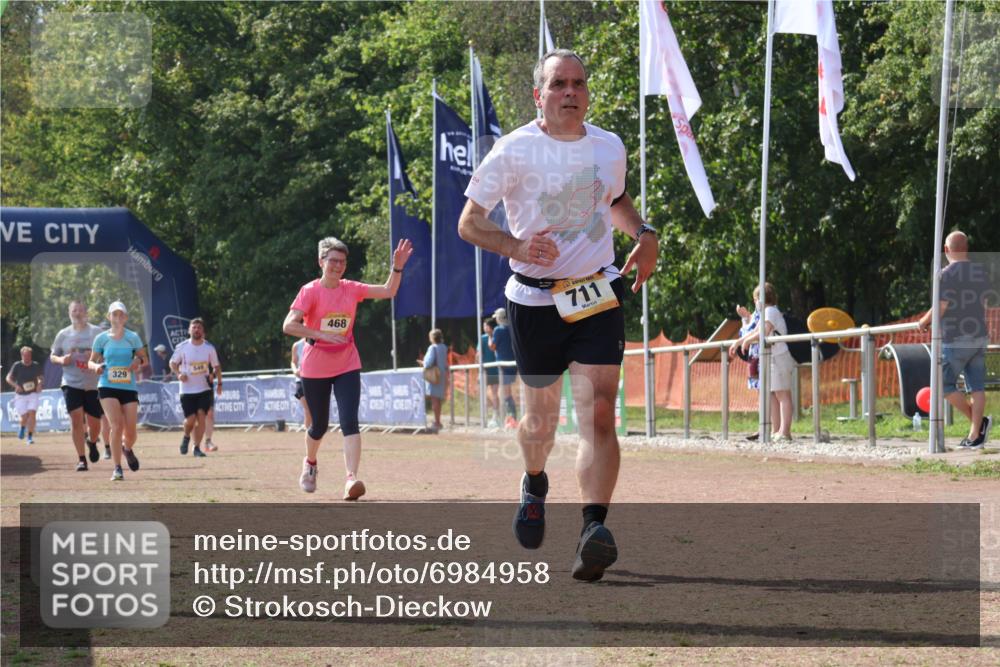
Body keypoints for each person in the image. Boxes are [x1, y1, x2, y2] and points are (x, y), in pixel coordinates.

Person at [458, 49, 658, 581]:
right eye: (559, 84)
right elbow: (469, 223)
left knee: (598, 413)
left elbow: (615, 202)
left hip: (596, 295)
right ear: (538, 96)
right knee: (540, 421)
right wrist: (516, 246)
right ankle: (534, 482)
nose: (570, 91)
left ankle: (594, 528)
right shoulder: (513, 150)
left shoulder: (608, 146)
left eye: (578, 83)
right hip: (533, 302)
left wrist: (644, 234)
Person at [283, 236, 413, 500]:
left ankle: (351, 479)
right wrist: (319, 334)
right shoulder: (309, 291)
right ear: (321, 262)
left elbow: (388, 290)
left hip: (346, 363)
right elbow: (289, 325)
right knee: (318, 425)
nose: (338, 266)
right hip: (315, 366)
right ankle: (310, 463)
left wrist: (397, 268)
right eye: (333, 261)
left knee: (349, 422)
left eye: (342, 262)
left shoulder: (351, 288)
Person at [918, 230, 992, 449]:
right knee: (977, 387)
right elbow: (985, 304)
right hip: (979, 336)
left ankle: (977, 428)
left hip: (956, 337)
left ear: (946, 250)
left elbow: (941, 306)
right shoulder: (980, 272)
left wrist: (923, 322)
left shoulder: (945, 274)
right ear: (966, 247)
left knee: (942, 384)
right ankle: (975, 434)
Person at [88, 301, 147, 482]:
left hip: (128, 387)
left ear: (126, 318)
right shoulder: (101, 339)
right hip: (107, 385)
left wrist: (138, 362)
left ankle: (127, 449)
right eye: (115, 314)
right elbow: (91, 362)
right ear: (109, 317)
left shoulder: (133, 337)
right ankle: (117, 468)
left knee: (131, 432)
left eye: (121, 314)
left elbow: (143, 358)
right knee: (116, 425)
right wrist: (96, 366)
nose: (118, 317)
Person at [729, 283, 795, 441]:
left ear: (763, 298)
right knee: (773, 394)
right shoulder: (765, 312)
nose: (755, 302)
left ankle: (784, 432)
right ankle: (776, 430)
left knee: (782, 394)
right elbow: (754, 331)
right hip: (772, 357)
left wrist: (746, 342)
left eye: (756, 299)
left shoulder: (771, 311)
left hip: (779, 356)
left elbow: (762, 332)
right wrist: (739, 342)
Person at [50, 301, 105, 470]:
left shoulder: (97, 332)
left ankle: (92, 441)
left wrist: (95, 357)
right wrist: (61, 360)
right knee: (76, 419)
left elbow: (107, 355)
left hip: (92, 384)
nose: (78, 313)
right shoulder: (63, 334)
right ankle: (82, 459)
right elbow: (53, 355)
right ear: (69, 313)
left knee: (95, 423)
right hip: (71, 382)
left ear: (86, 313)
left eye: (81, 310)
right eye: (75, 310)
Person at [169, 318, 222, 458]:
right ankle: (186, 436)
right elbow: (172, 363)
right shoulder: (182, 347)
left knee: (202, 416)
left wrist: (216, 378)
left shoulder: (209, 347)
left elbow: (216, 366)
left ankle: (197, 447)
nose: (196, 329)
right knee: (190, 420)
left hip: (204, 389)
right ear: (189, 330)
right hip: (187, 390)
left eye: (199, 327)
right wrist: (179, 374)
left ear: (203, 331)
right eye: (194, 327)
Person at [5, 346, 44, 445]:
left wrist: (39, 384)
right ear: (22, 355)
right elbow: (8, 378)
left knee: (32, 413)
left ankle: (29, 437)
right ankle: (22, 427)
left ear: (31, 355)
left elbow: (40, 378)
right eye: (25, 355)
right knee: (24, 416)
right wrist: (16, 386)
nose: (27, 357)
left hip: (33, 393)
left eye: (29, 355)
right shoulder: (17, 365)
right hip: (20, 395)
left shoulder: (36, 365)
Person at [490, 308, 519, 429]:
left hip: (503, 365)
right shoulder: (512, 328)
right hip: (514, 364)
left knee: (506, 393)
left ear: (500, 318)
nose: (495, 319)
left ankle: (511, 419)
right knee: (509, 393)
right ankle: (510, 418)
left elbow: (493, 347)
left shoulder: (498, 330)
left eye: (496, 317)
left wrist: (490, 337)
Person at [422, 329, 449, 433]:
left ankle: (437, 422)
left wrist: (423, 363)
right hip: (442, 374)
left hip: (434, 375)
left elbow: (428, 363)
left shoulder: (432, 347)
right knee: (438, 399)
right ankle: (438, 421)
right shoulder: (443, 347)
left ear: (432, 338)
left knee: (434, 400)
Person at [477, 317, 501, 427]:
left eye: (485, 325)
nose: (484, 327)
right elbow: (478, 354)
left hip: (497, 369)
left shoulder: (498, 336)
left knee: (495, 393)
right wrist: (479, 369)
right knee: (485, 394)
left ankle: (497, 415)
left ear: (490, 327)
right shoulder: (482, 338)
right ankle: (493, 414)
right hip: (486, 370)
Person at [291, 337, 312, 431]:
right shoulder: (297, 345)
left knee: (315, 409)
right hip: (300, 379)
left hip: (315, 379)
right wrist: (295, 370)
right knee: (307, 409)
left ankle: (316, 431)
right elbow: (293, 362)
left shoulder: (318, 343)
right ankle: (309, 433)